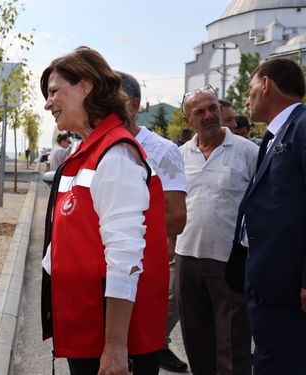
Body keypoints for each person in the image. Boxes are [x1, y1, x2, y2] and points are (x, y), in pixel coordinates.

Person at [40, 46, 168, 375]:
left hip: (110, 341)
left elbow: (125, 256)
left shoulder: (115, 154)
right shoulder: (86, 151)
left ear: (86, 86)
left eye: (55, 91)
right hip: (86, 329)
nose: (47, 103)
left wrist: (115, 346)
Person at [226, 58, 306, 374]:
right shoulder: (276, 134)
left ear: (266, 85)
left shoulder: (301, 127)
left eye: (249, 89)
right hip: (267, 282)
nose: (247, 99)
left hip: (289, 290)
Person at [175, 86, 257, 375]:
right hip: (186, 259)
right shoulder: (179, 156)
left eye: (213, 108)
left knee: (233, 348)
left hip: (231, 261)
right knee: (197, 343)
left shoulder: (249, 152)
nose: (210, 115)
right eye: (200, 111)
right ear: (188, 120)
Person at [118, 71, 188, 373]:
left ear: (134, 105)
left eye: (115, 101)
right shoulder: (97, 146)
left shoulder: (162, 151)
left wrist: (117, 227)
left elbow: (176, 218)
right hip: (105, 272)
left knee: (141, 350)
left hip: (145, 271)